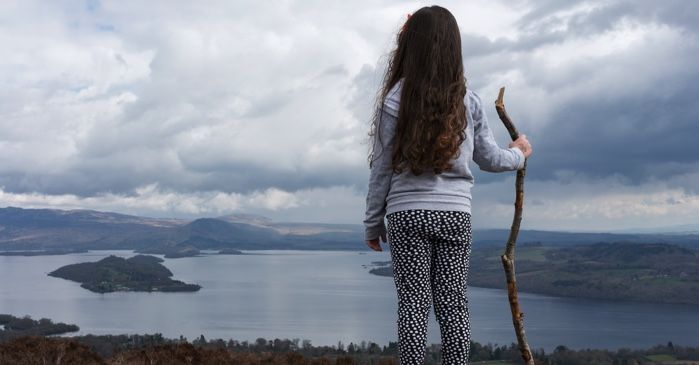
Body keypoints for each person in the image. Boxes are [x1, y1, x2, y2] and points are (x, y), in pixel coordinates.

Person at [363, 5, 533, 365]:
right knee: (453, 303)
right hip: (455, 214)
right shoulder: (468, 101)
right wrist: (519, 154)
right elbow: (489, 159)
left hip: (406, 216)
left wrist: (372, 222)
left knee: (413, 304)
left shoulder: (394, 100)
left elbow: (380, 168)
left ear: (411, 47)